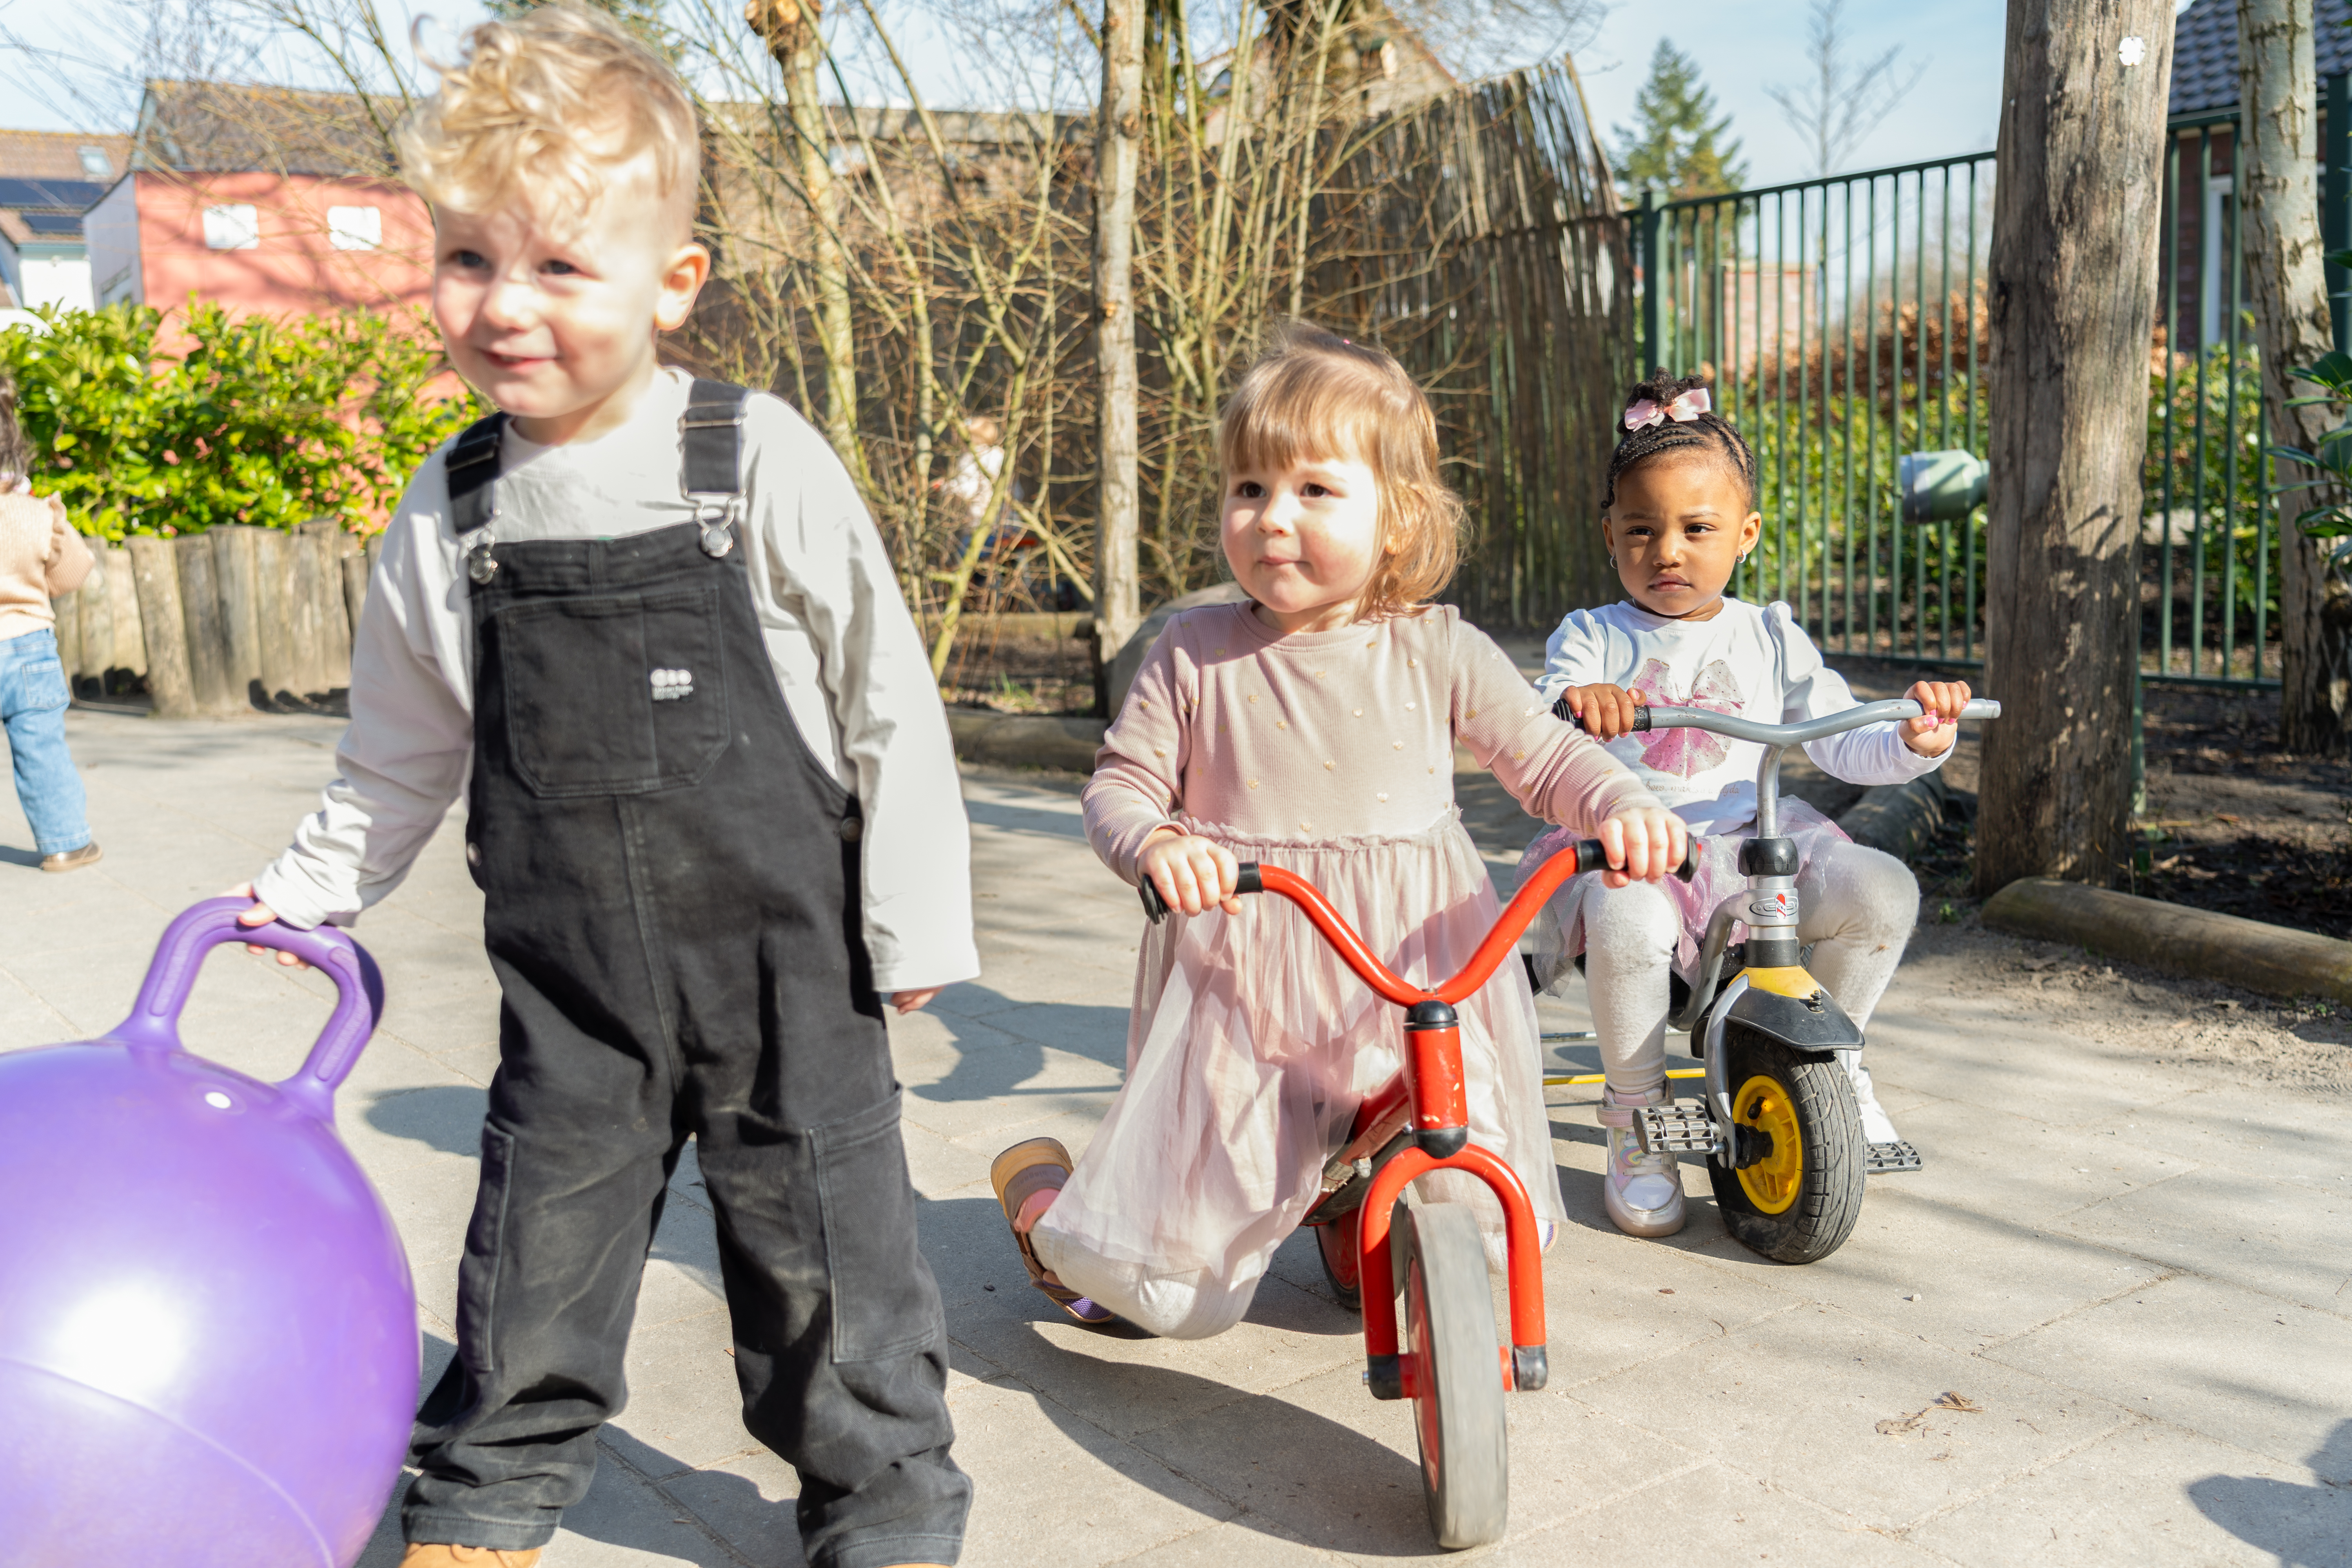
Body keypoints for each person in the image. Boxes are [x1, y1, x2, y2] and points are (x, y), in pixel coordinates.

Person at [231, 9, 975, 1565]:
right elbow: (398, 748)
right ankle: (487, 1496)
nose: (506, 306)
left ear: (671, 282)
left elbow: (884, 698)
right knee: (533, 1262)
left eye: (561, 265)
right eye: (469, 258)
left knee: (831, 1264)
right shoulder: (448, 512)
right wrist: (307, 889)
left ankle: (885, 1499)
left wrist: (914, 920)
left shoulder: (754, 459)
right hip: (574, 996)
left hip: (788, 976)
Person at [989, 323, 1686, 1339]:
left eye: (1315, 489)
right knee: (1164, 1293)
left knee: (1479, 1196)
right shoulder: (1194, 652)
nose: (1274, 516)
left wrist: (1623, 804)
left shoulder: (1438, 647)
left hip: (1420, 965)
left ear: (1396, 518)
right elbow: (1123, 783)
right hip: (1251, 978)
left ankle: (1378, 1210)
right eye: (1250, 488)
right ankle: (1050, 1211)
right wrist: (1156, 844)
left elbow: (1544, 757)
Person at [1522, 370, 1971, 1241]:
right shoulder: (1593, 634)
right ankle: (1635, 1113)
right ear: (1610, 534)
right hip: (1632, 840)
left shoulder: (1768, 633)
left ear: (1746, 534)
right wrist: (1578, 702)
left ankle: (1828, 1059)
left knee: (1883, 891)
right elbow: (1540, 723)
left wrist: (1918, 739)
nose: (1668, 551)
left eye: (1697, 529)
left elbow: (1843, 738)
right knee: (1625, 913)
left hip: (1749, 838)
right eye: (1642, 530)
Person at [0, 372, 100, 873]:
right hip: (27, 646)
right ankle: (64, 844)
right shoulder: (35, 513)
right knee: (40, 747)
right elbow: (73, 572)